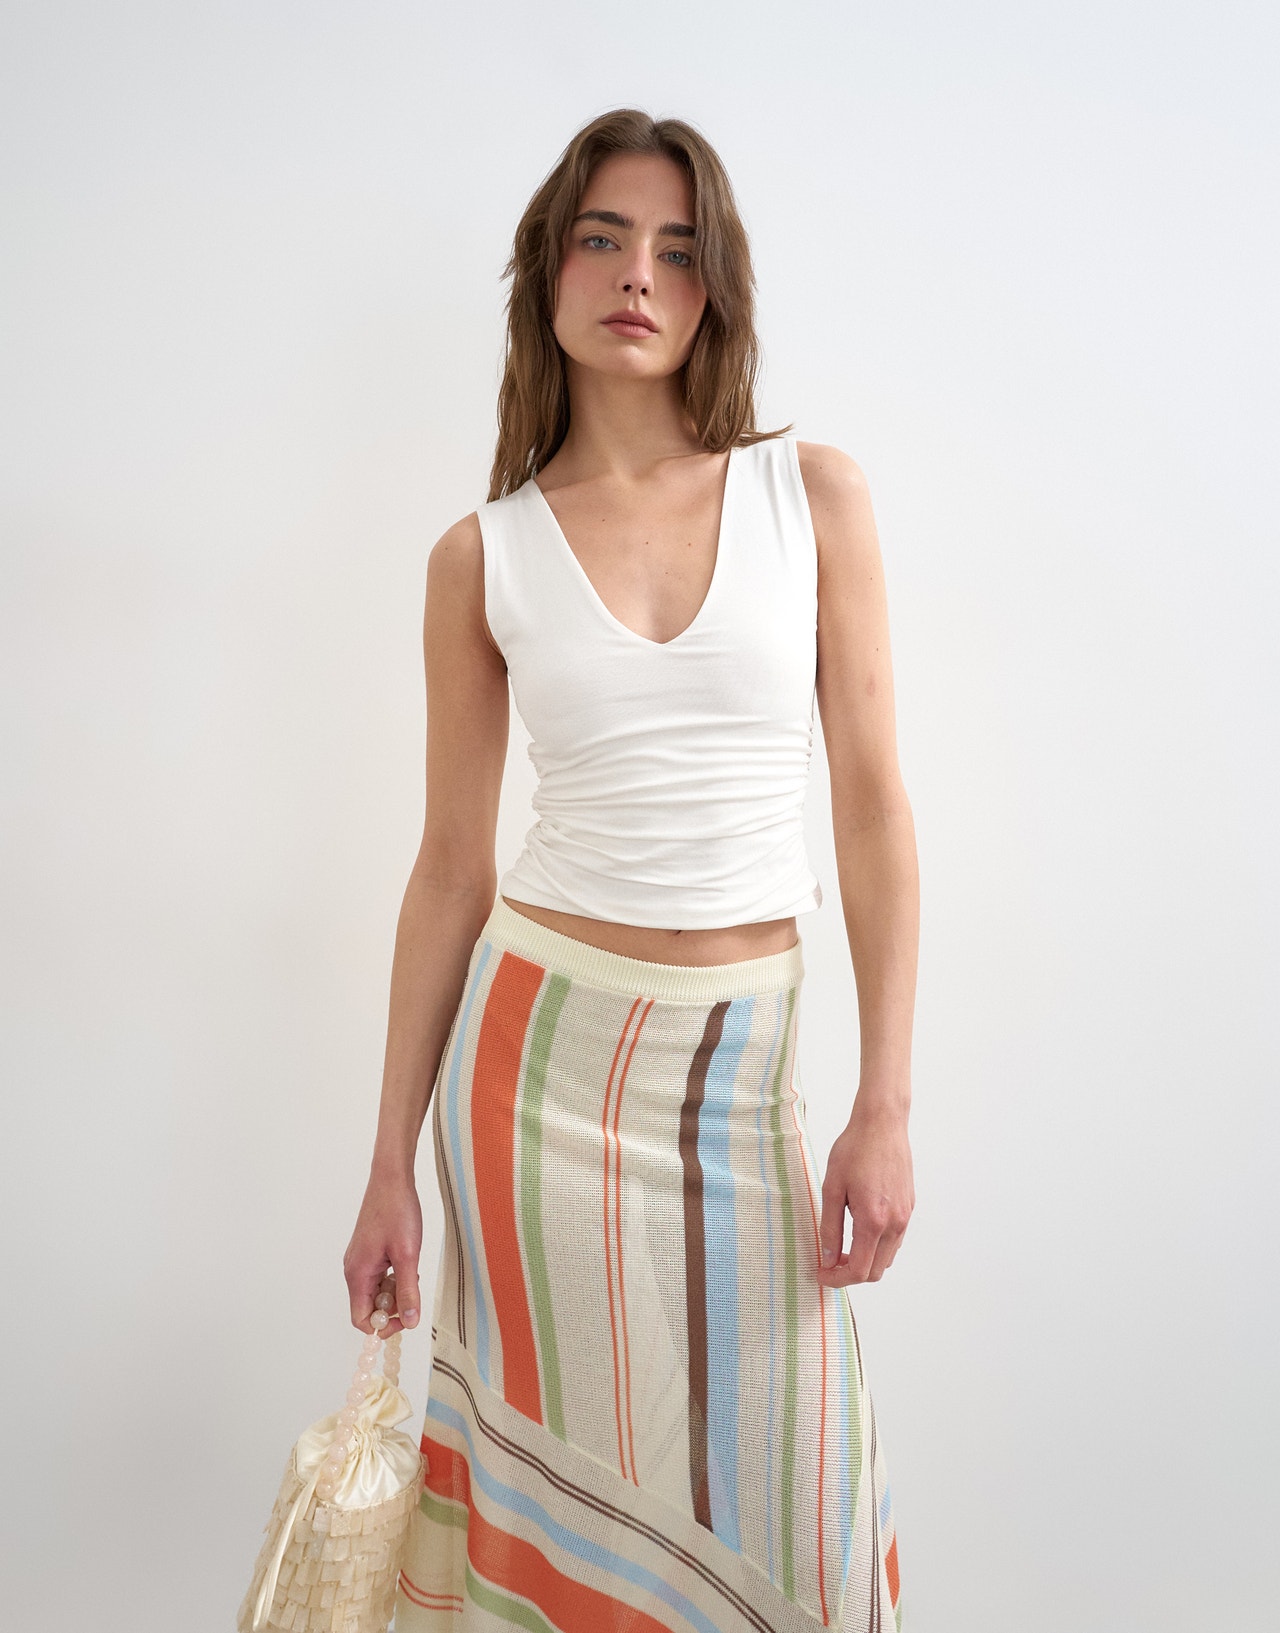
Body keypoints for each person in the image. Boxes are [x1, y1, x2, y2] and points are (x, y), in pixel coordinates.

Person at [344, 108, 917, 1632]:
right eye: (602, 238)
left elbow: (873, 808)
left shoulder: (814, 497)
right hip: (532, 1077)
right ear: (548, 271)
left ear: (715, 287)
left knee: (806, 1523)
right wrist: (389, 1159)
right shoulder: (482, 556)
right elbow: (448, 870)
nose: (637, 275)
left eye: (676, 247)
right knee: (561, 1515)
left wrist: (885, 1102)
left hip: (740, 1076)